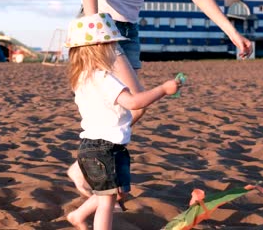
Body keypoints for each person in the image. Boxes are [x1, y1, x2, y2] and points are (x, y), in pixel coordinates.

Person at [67, 0, 253, 200]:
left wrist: (232, 33)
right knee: (135, 102)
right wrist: (98, 37)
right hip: (100, 26)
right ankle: (88, 165)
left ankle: (85, 165)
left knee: (128, 107)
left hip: (129, 29)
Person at [64, 13, 183, 230]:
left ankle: (78, 216)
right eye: (113, 45)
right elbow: (134, 102)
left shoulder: (81, 77)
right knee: (108, 201)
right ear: (100, 47)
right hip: (104, 149)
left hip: (96, 147)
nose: (116, 51)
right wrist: (164, 89)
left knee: (115, 192)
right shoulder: (103, 78)